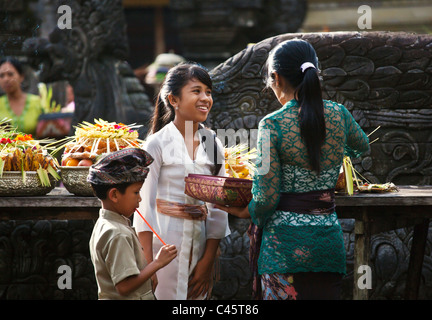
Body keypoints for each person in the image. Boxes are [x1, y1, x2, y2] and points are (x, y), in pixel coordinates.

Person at [216, 39, 370, 300]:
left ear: (275, 77)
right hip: (328, 245)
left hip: (284, 250)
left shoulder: (272, 125)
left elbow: (265, 199)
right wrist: (330, 163)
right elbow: (362, 145)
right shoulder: (339, 114)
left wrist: (244, 210)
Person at [133, 62, 230, 300]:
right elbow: (143, 207)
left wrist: (208, 261)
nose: (205, 98)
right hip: (163, 244)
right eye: (196, 91)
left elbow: (218, 207)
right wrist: (149, 265)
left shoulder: (212, 142)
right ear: (173, 100)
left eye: (208, 92)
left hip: (200, 242)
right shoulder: (157, 144)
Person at [88, 148, 177, 300]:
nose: (140, 199)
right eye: (136, 192)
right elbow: (124, 287)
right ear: (114, 195)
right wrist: (157, 263)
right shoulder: (118, 234)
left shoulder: (104, 224)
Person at [0, 57, 44, 135]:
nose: (6, 79)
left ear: (21, 77)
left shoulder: (38, 102)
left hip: (35, 147)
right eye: (1, 76)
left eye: (10, 74)